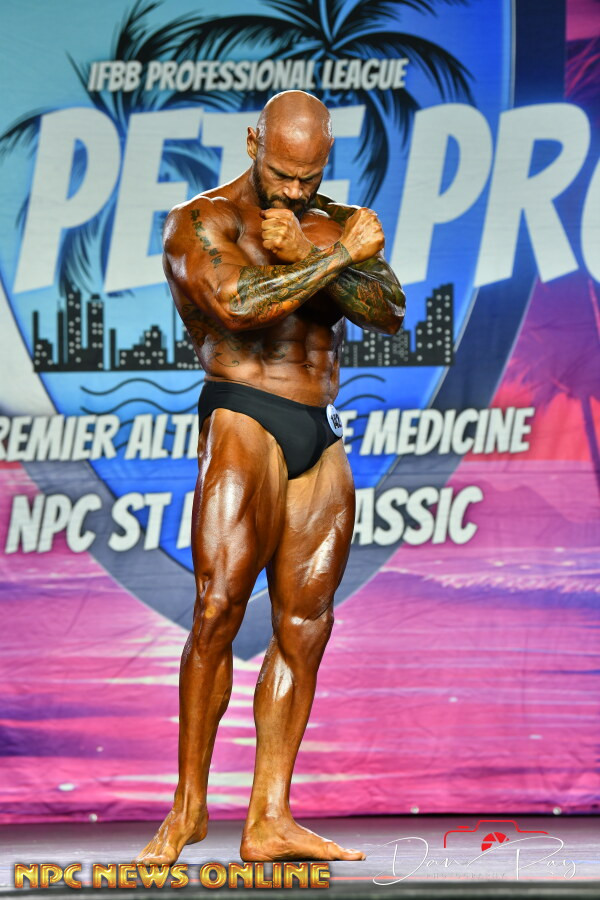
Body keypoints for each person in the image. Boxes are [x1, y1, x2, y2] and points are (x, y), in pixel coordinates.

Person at [135, 90, 405, 865]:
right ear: (255, 142)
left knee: (305, 625)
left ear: (326, 159)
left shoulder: (333, 220)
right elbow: (238, 305)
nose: (293, 189)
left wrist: (321, 251)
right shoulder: (201, 221)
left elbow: (388, 309)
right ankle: (188, 808)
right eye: (283, 172)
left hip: (318, 428)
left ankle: (269, 817)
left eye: (308, 176)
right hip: (242, 411)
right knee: (218, 608)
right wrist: (335, 258)